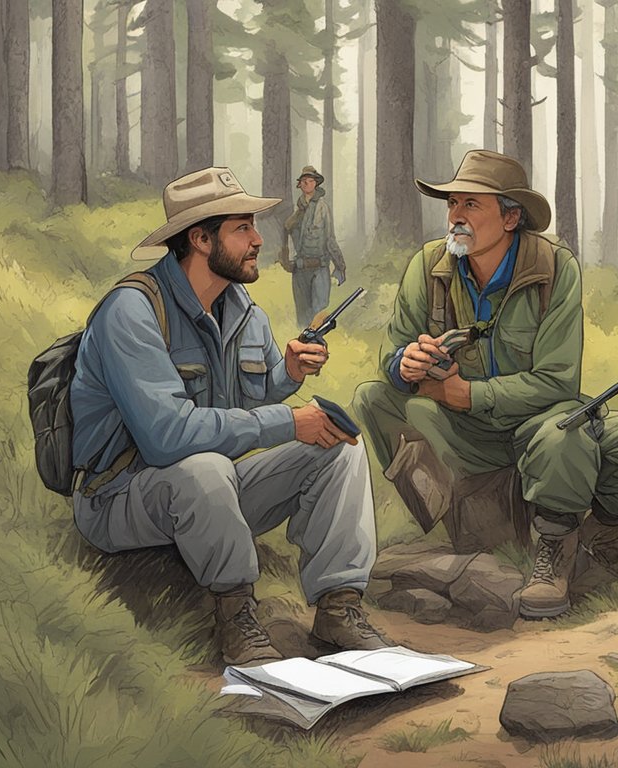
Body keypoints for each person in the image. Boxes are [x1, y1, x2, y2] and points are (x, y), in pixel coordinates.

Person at [352, 149, 618, 620]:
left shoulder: (555, 269)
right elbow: (389, 358)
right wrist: (406, 364)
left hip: (541, 426)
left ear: (511, 216)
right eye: (452, 205)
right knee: (373, 397)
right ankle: (461, 520)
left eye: (471, 205)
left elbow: (557, 383)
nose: (456, 217)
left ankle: (573, 539)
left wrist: (470, 394)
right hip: (464, 435)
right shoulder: (428, 266)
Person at [70, 167, 390, 665]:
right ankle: (236, 615)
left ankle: (338, 606)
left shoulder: (244, 310)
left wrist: (285, 374)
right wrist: (288, 420)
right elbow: (167, 437)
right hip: (119, 497)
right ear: (199, 239)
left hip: (210, 489)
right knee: (206, 466)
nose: (259, 239)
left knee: (338, 445)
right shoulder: (130, 312)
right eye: (243, 228)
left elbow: (248, 404)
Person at [281, 165, 347, 328]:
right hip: (300, 270)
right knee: (302, 317)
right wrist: (285, 258)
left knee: (319, 315)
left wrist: (340, 266)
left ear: (316, 184)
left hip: (319, 269)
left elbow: (330, 239)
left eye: (310, 181)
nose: (307, 184)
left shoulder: (323, 208)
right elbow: (286, 233)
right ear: (300, 185)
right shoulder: (298, 211)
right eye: (304, 181)